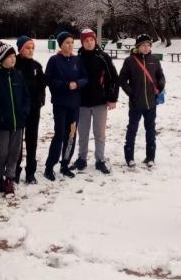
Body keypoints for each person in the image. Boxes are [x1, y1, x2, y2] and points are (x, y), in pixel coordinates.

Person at [0, 41, 30, 195]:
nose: (13, 59)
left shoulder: (18, 75)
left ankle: (10, 178)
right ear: (2, 58)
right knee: (3, 151)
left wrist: (24, 111)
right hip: (3, 123)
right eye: (9, 57)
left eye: (13, 56)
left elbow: (25, 97)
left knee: (14, 152)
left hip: (18, 122)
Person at [73, 28, 119, 174]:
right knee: (83, 133)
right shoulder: (77, 58)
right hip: (82, 103)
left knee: (99, 133)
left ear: (95, 40)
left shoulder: (103, 57)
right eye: (86, 40)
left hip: (100, 102)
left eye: (91, 40)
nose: (89, 42)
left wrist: (112, 98)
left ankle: (100, 159)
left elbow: (114, 78)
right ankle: (82, 158)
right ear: (82, 42)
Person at [43, 31, 88, 181]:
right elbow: (49, 80)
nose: (70, 45)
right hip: (60, 104)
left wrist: (78, 84)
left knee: (71, 134)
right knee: (59, 134)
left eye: (71, 42)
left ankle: (65, 163)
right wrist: (65, 85)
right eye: (67, 43)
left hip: (74, 105)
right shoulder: (54, 60)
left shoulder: (77, 60)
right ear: (61, 44)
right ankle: (50, 166)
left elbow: (85, 78)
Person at [118, 34, 165, 168]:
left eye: (148, 45)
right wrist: (131, 93)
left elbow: (160, 76)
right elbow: (122, 80)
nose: (146, 47)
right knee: (132, 129)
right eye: (143, 45)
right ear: (138, 47)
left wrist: (160, 86)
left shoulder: (154, 60)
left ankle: (150, 157)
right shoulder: (130, 61)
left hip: (151, 103)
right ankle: (129, 157)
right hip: (136, 103)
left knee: (150, 129)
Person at [14, 36, 46, 184]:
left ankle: (30, 172)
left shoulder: (37, 66)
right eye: (27, 48)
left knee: (32, 140)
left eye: (32, 48)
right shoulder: (14, 64)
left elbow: (42, 85)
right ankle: (15, 171)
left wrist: (40, 100)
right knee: (17, 142)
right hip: (19, 109)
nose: (30, 50)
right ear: (20, 49)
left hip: (34, 109)